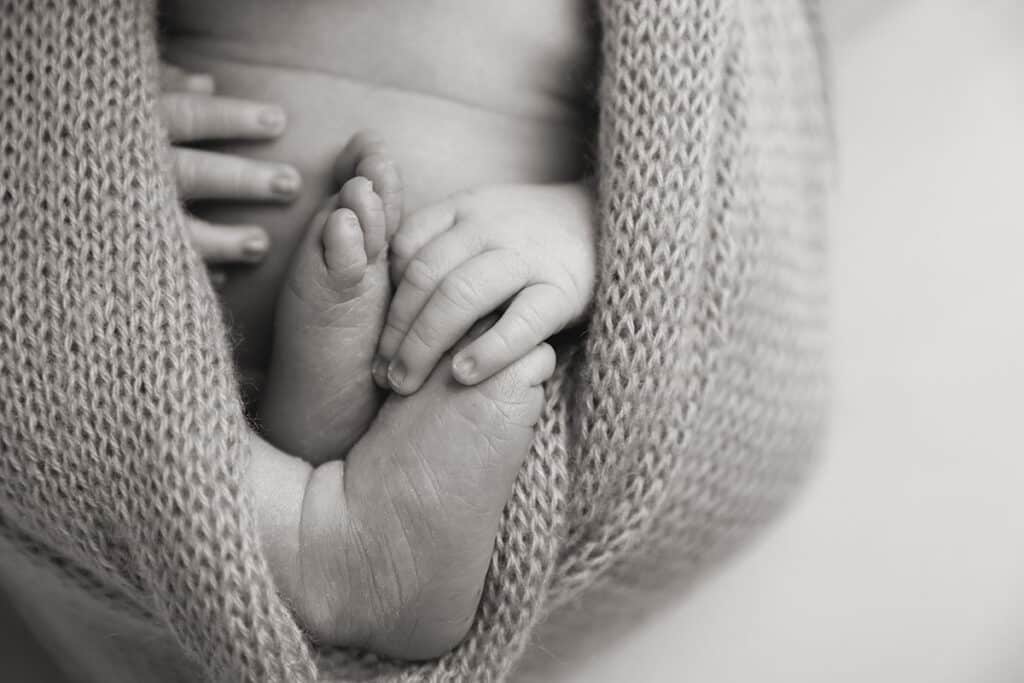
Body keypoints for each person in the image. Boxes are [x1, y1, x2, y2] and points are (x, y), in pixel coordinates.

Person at [0, 2, 830, 681]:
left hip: (497, 367)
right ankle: (305, 510)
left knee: (579, 347)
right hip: (149, 343)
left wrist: (598, 232)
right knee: (39, 391)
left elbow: (702, 136)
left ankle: (326, 507)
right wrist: (65, 142)